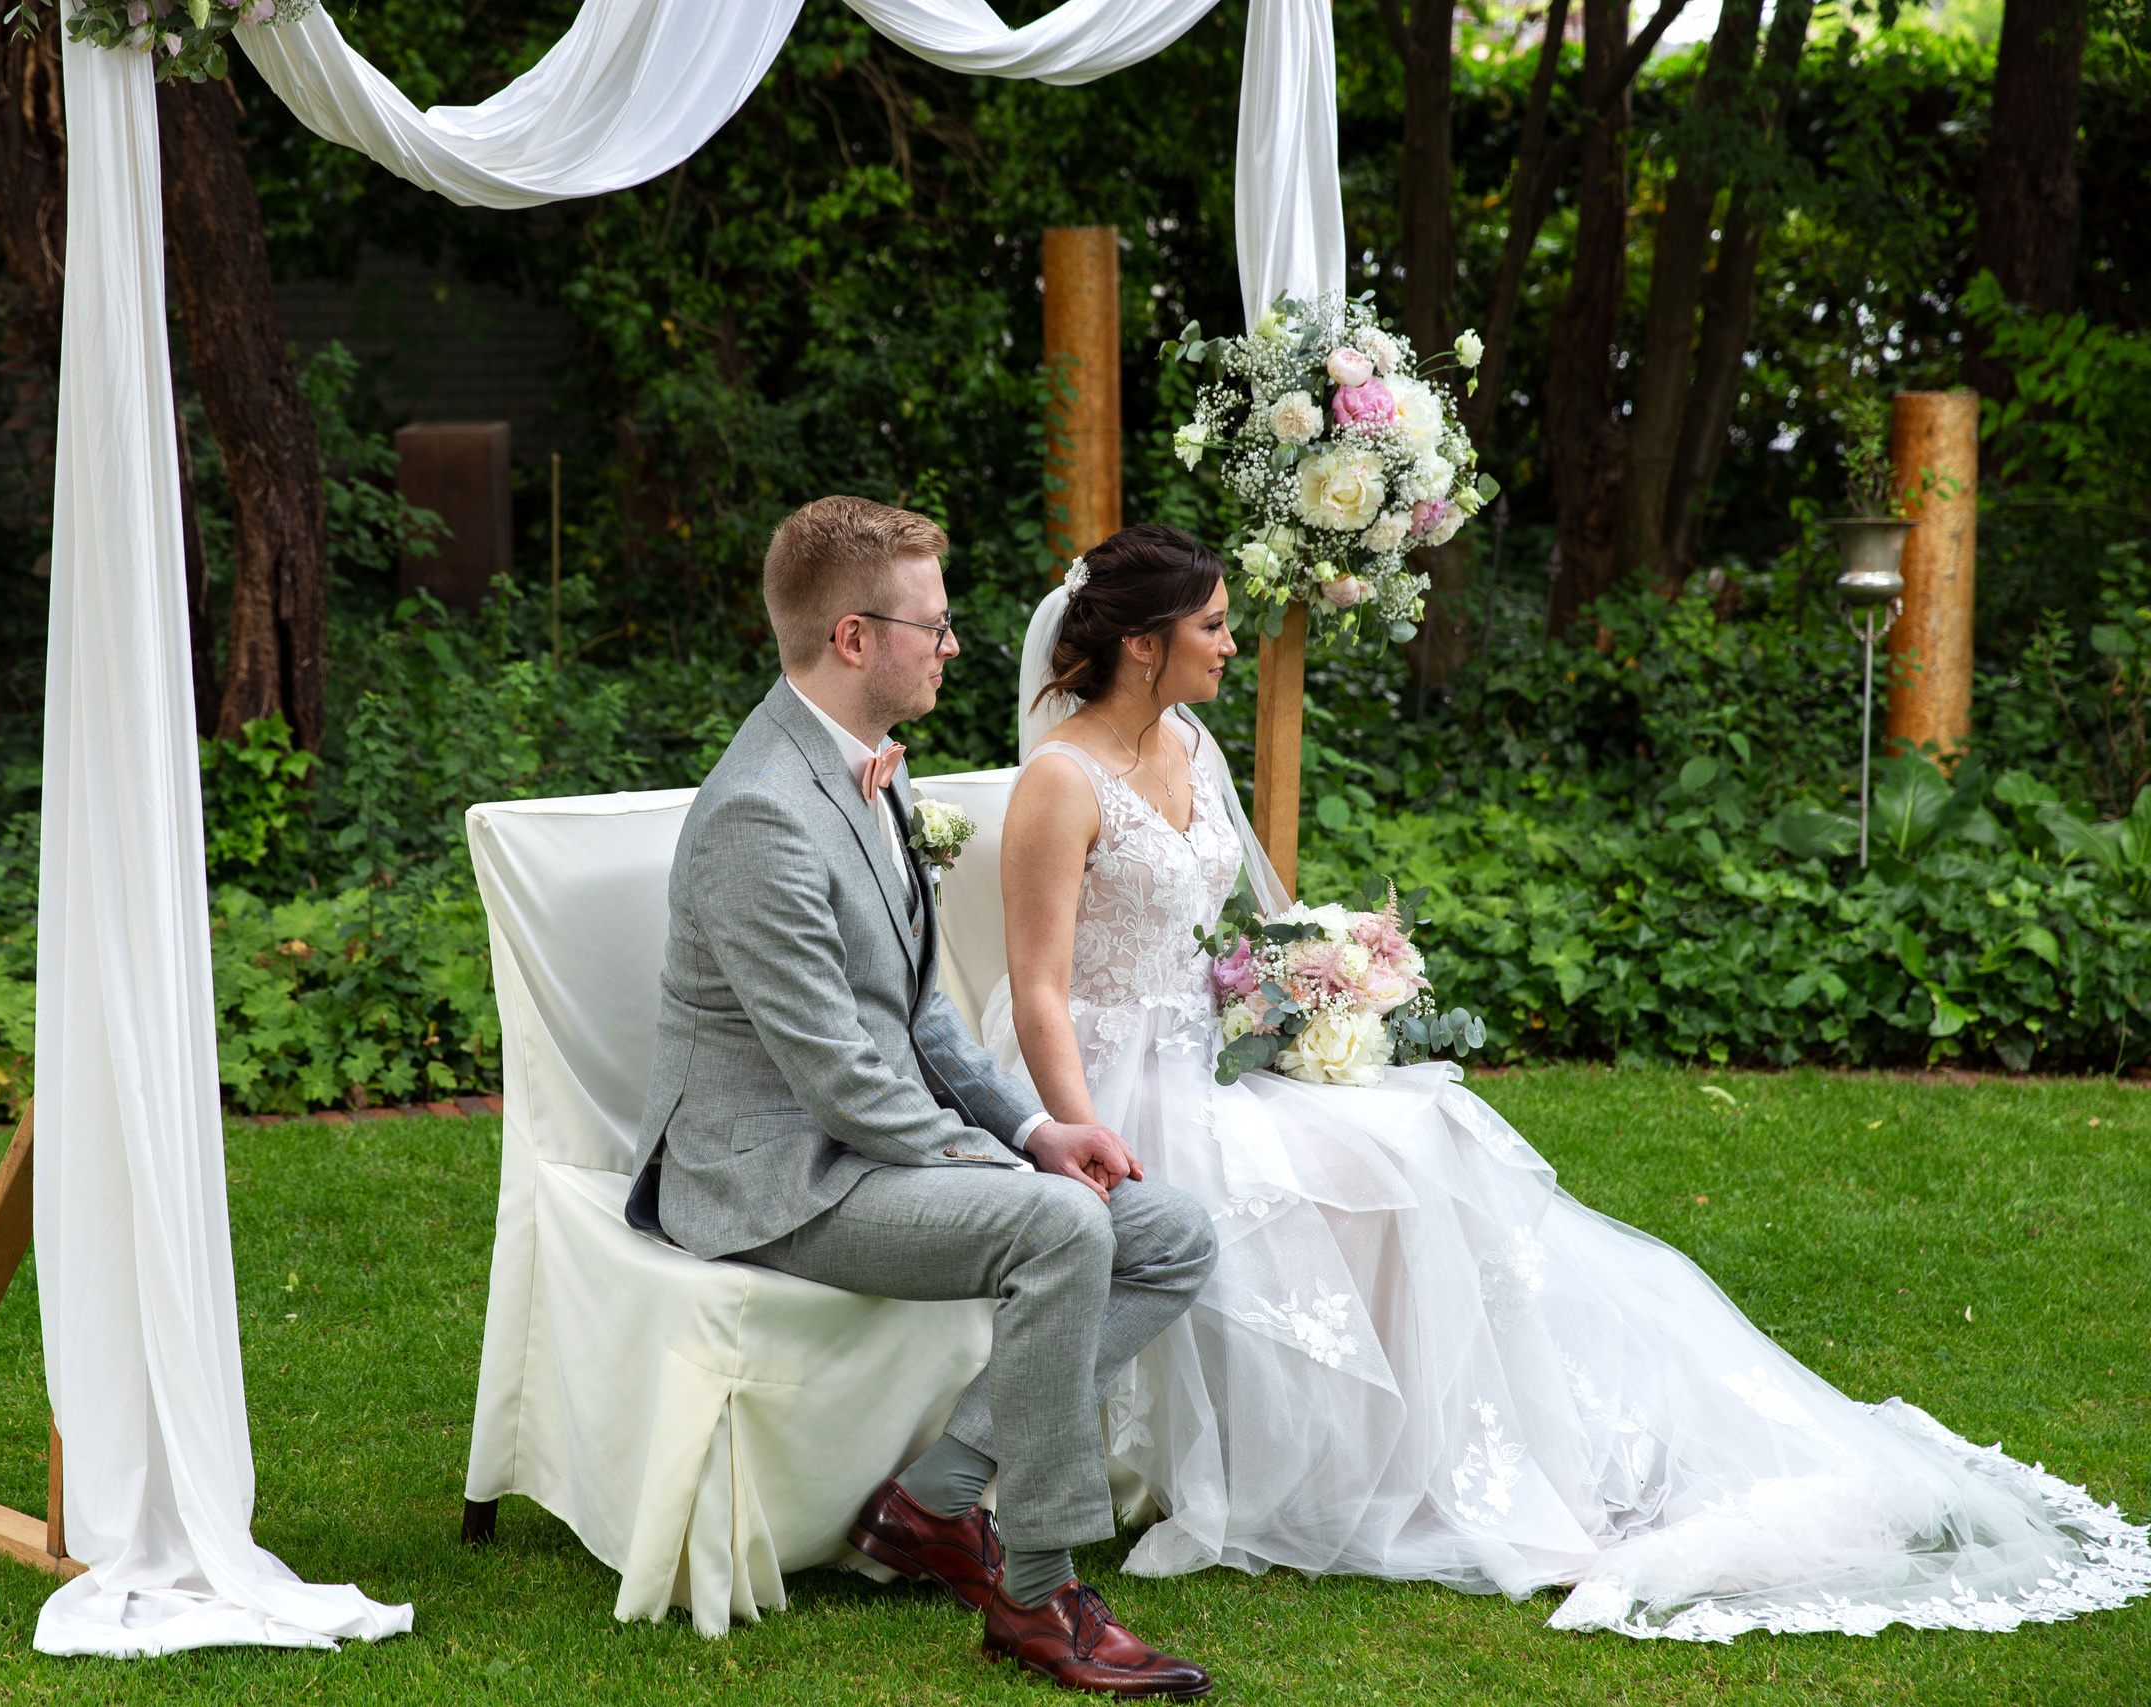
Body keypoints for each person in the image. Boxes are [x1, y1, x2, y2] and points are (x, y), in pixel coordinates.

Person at [985, 522, 2151, 1639]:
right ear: (1145, 644)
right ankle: (1322, 1461)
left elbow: (1244, 918)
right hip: (1110, 1087)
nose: (1231, 643)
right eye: (1214, 626)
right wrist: (1084, 1140)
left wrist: (1315, 985)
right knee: (1346, 1172)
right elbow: (1039, 989)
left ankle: (1435, 1452)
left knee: (1430, 1134)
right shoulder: (1061, 782)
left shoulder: (1189, 746)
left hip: (1211, 1055)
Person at [627, 495, 1219, 1698]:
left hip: (861, 1143)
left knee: (1172, 1233)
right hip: (769, 1173)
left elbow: (922, 1016)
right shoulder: (760, 812)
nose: (954, 648)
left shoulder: (868, 769)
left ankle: (934, 1503)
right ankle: (1040, 1594)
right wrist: (1015, 1177)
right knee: (1061, 1221)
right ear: (853, 639)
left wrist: (1038, 1127)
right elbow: (837, 1079)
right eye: (933, 629)